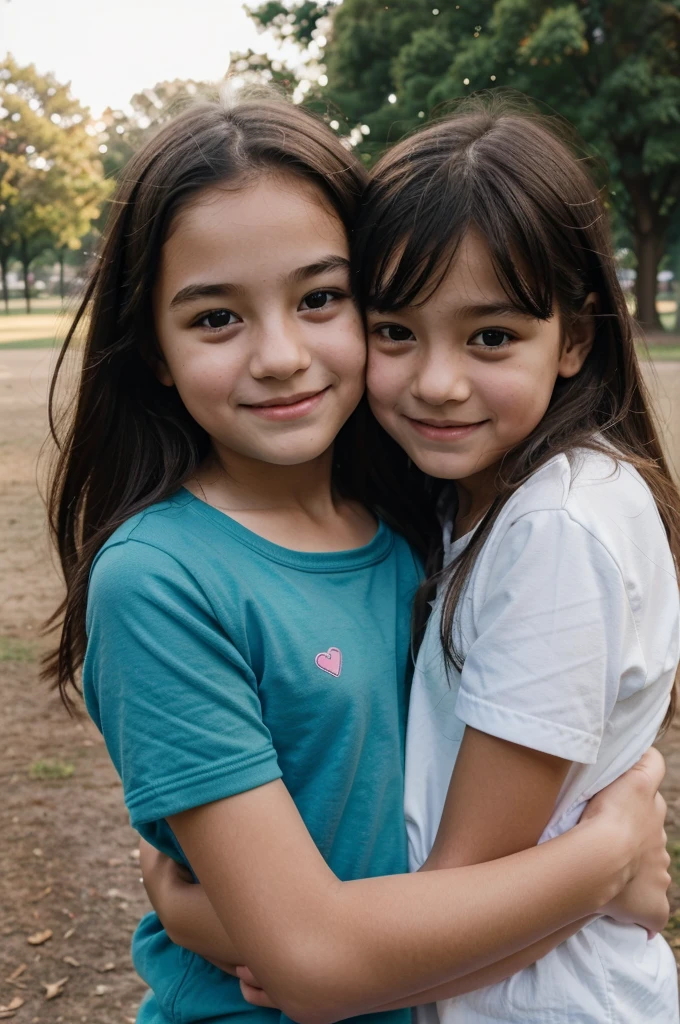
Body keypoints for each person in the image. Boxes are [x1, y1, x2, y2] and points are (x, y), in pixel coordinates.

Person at [45, 96, 671, 1024]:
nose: (281, 355)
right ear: (158, 354)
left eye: (320, 299)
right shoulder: (159, 581)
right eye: (217, 318)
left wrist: (212, 914)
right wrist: (603, 861)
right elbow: (317, 962)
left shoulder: (421, 519)